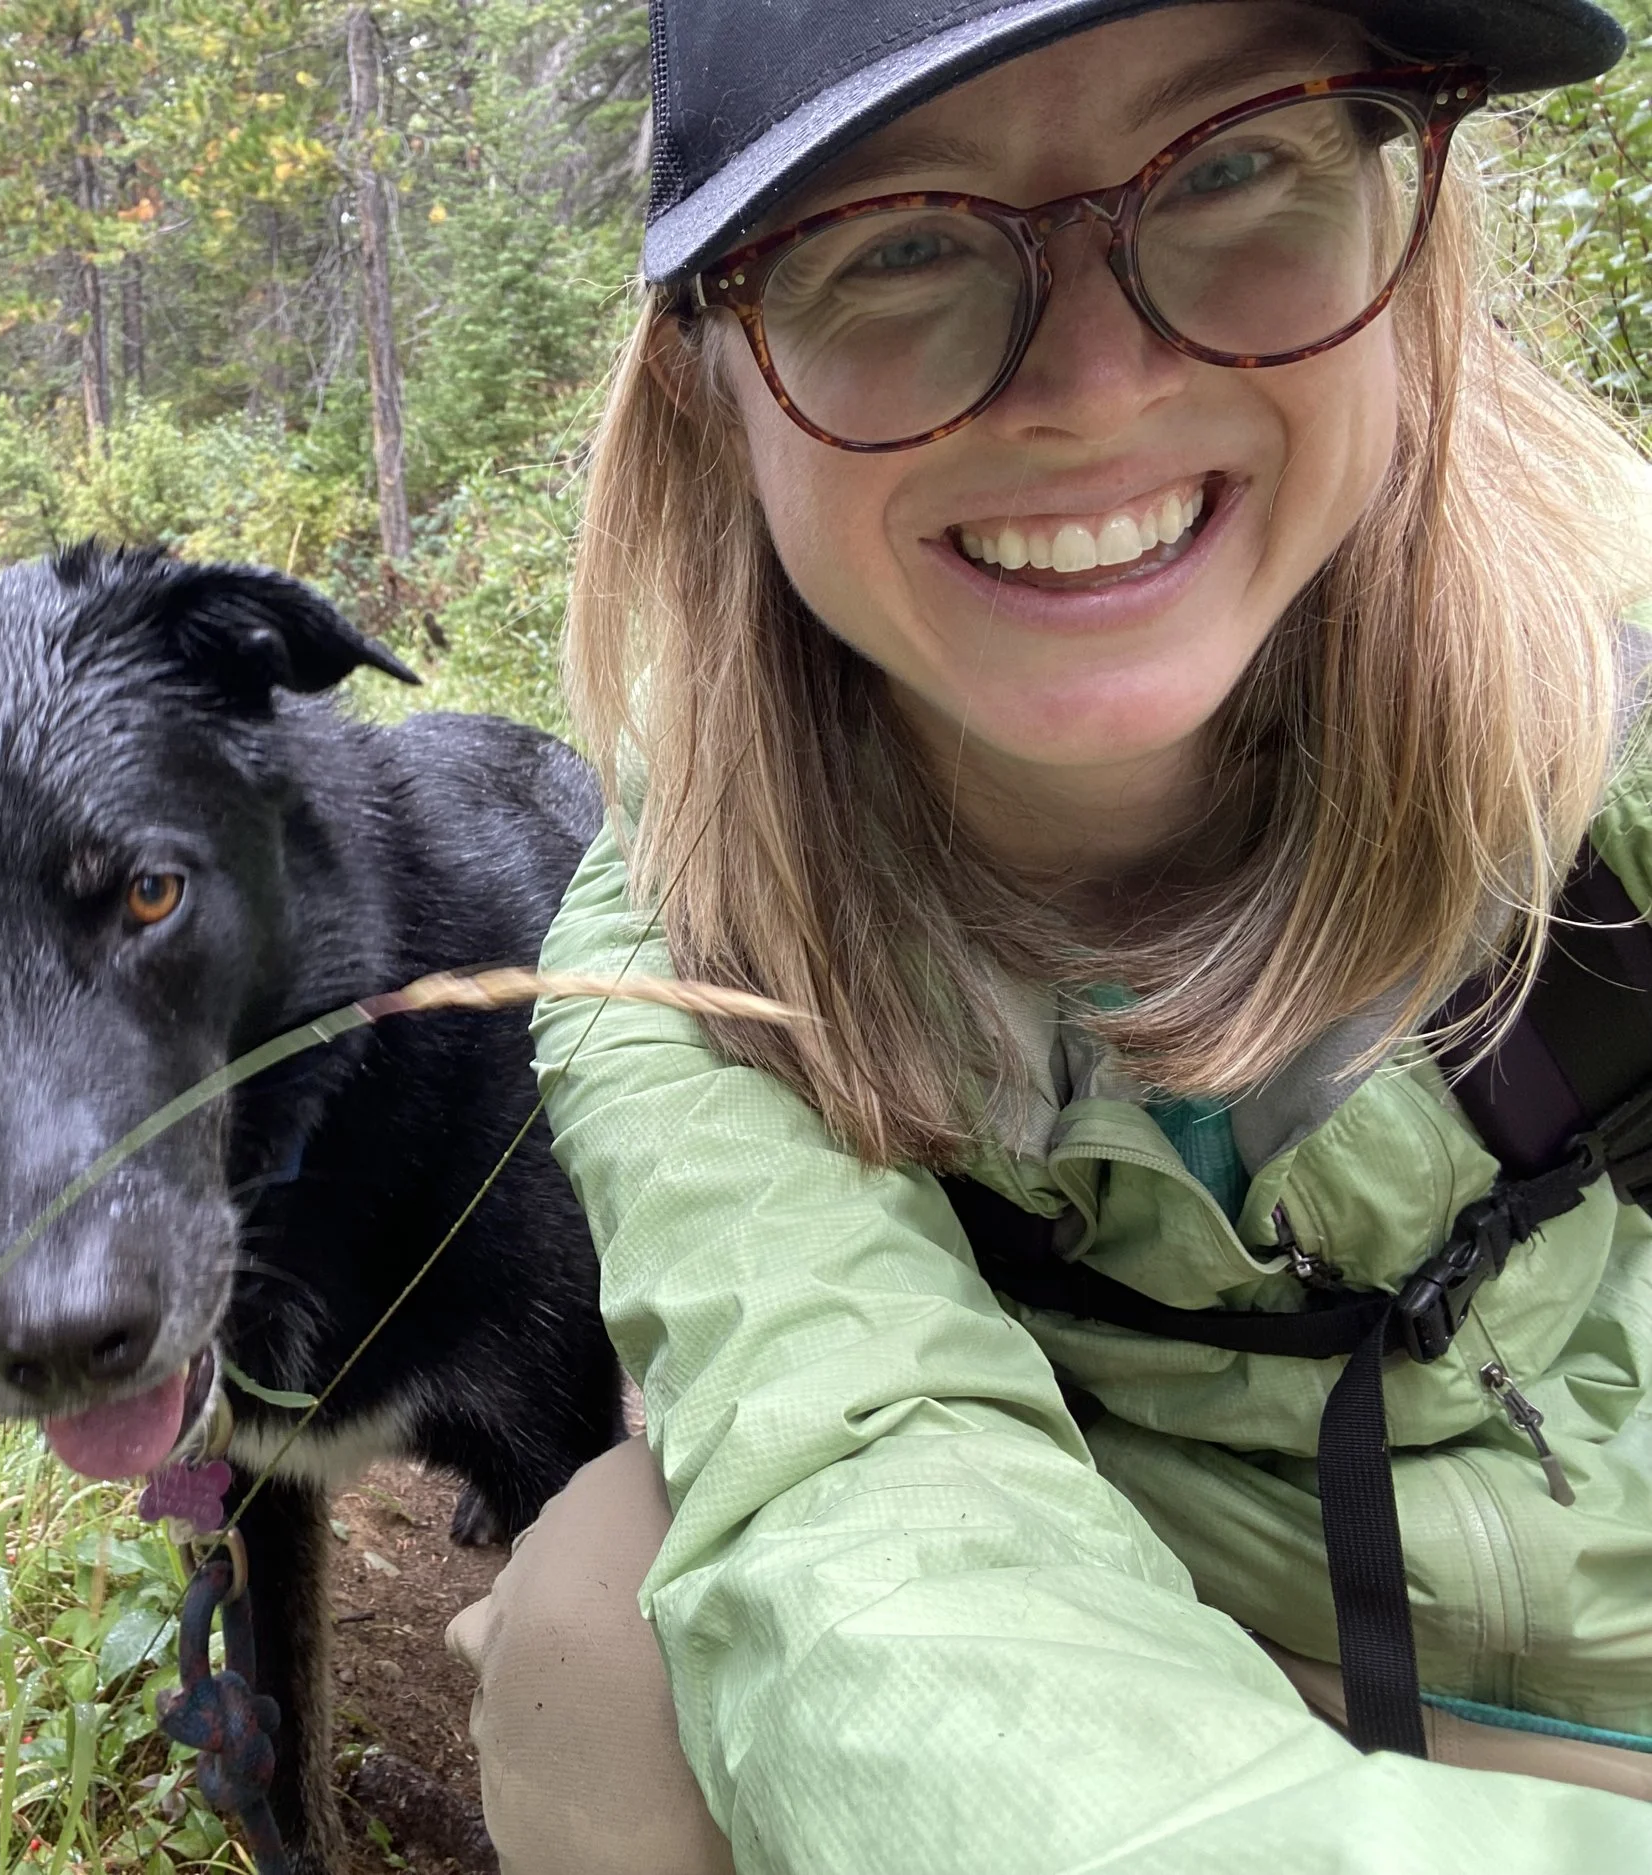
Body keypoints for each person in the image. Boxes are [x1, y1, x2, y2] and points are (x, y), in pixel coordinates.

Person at [442, 2, 1652, 1870]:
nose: (1097, 385)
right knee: (605, 1622)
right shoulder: (694, 936)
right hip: (1168, 1642)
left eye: (1238, 158)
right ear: (711, 382)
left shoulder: (1618, 671)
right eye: (901, 242)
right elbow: (852, 1496)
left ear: (1405, 198)